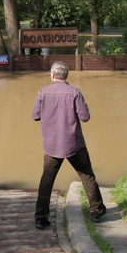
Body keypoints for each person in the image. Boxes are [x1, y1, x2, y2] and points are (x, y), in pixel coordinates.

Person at [31, 61, 106, 230]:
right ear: (66, 76)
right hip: (74, 144)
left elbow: (35, 115)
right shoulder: (74, 92)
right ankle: (97, 211)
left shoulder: (43, 92)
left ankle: (41, 217)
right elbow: (85, 116)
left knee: (47, 180)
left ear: (52, 75)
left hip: (51, 145)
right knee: (87, 176)